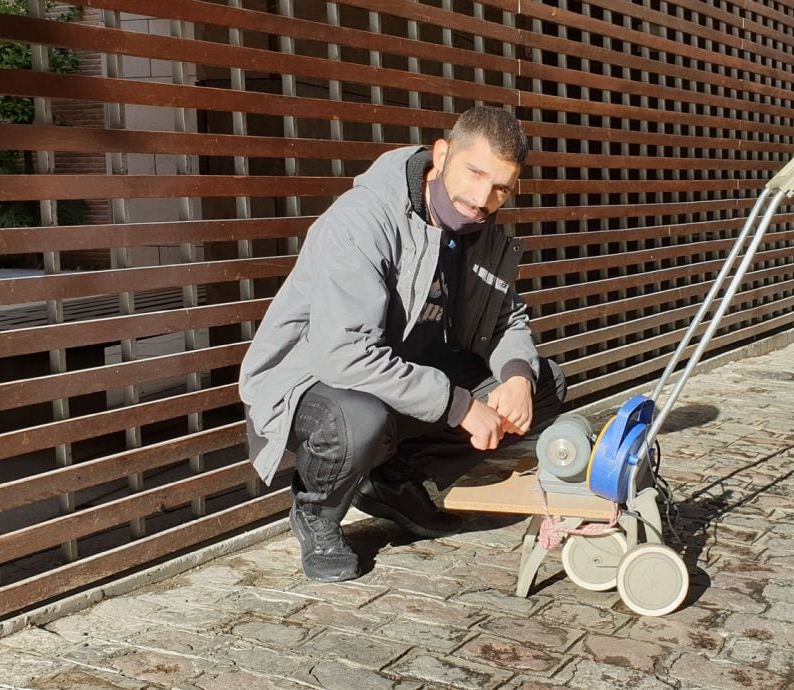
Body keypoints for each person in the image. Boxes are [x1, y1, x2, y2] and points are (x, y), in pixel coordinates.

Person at [239, 106, 566, 582]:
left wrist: (516, 374)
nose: (482, 197)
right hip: (313, 385)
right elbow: (344, 355)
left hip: (406, 379)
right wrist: (458, 406)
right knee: (358, 420)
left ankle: (394, 481)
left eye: (501, 187)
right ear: (442, 153)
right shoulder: (362, 220)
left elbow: (507, 318)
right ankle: (318, 511)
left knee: (542, 382)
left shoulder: (483, 233)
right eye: (474, 173)